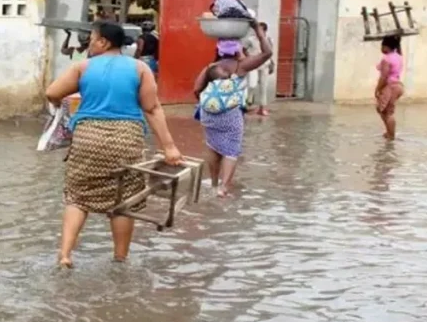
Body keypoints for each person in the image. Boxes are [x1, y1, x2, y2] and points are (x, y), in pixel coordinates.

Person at [46, 21, 183, 268]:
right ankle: (120, 259)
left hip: (88, 137)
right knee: (125, 198)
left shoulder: (83, 67)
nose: (90, 44)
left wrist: (61, 104)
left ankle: (65, 255)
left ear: (104, 42)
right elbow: (152, 108)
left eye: (92, 39)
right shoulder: (140, 68)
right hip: (126, 138)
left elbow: (52, 92)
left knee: (77, 196)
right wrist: (169, 147)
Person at [193, 23, 273, 197]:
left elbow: (196, 89)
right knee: (231, 150)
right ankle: (224, 187)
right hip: (231, 114)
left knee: (213, 146)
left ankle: (214, 184)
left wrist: (210, 104)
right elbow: (267, 53)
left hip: (209, 115)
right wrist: (258, 30)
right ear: (237, 51)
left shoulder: (210, 67)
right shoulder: (241, 66)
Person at [375, 35, 405, 140]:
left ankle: (391, 135)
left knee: (387, 112)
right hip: (398, 86)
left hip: (390, 87)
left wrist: (378, 89)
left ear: (386, 47)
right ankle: (389, 133)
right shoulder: (399, 56)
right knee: (384, 110)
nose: (381, 48)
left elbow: (384, 77)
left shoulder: (386, 59)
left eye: (382, 46)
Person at [246, 22, 275, 116]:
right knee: (252, 85)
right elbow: (244, 49)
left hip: (265, 65)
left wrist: (272, 64)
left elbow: (270, 52)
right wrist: (249, 57)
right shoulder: (251, 39)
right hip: (253, 64)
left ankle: (262, 108)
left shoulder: (269, 39)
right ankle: (249, 99)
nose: (258, 32)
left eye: (260, 30)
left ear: (265, 31)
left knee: (263, 87)